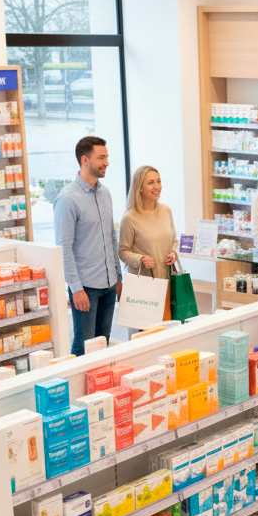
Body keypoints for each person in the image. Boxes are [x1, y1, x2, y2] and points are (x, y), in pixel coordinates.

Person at [53, 136, 122, 355]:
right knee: (84, 346)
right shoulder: (67, 199)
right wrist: (76, 288)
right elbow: (64, 247)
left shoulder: (105, 193)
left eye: (107, 157)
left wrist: (118, 278)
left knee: (104, 344)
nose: (106, 163)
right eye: (101, 158)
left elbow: (111, 238)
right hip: (86, 288)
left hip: (109, 284)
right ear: (85, 160)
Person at [119, 165, 179, 321]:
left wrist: (173, 253)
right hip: (145, 286)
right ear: (139, 187)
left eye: (158, 181)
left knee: (169, 328)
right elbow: (123, 251)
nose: (157, 186)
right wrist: (140, 259)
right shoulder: (130, 217)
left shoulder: (166, 211)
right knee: (148, 331)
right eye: (151, 182)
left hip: (168, 281)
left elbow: (174, 239)